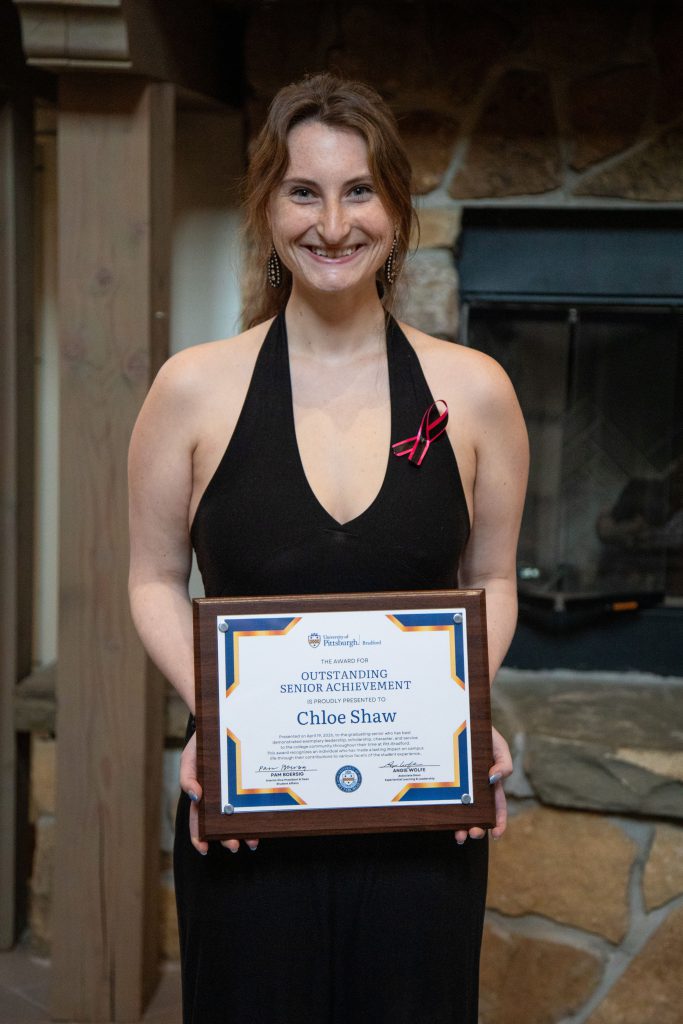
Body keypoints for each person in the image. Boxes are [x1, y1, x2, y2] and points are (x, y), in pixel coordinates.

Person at [128, 72, 528, 1024]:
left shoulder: (475, 392)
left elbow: (492, 578)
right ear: (267, 208)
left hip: (419, 818)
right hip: (251, 807)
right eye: (303, 191)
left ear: (396, 209)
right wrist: (217, 719)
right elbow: (151, 579)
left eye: (359, 192)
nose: (334, 224)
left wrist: (458, 711)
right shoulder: (192, 388)